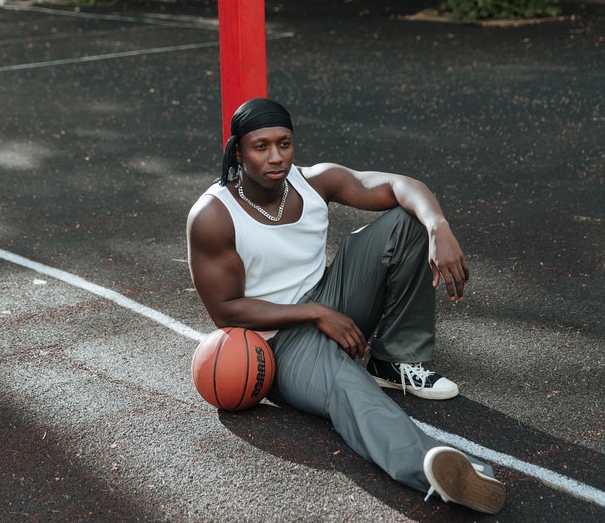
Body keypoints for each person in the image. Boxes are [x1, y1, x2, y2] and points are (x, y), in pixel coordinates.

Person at [186, 97, 505, 514]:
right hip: (279, 339)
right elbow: (226, 310)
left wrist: (438, 227)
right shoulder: (214, 215)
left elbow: (399, 186)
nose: (276, 156)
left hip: (332, 299)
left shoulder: (315, 180)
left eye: (284, 143)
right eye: (260, 147)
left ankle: (391, 360)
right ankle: (432, 471)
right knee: (346, 388)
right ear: (238, 151)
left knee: (408, 220)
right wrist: (316, 313)